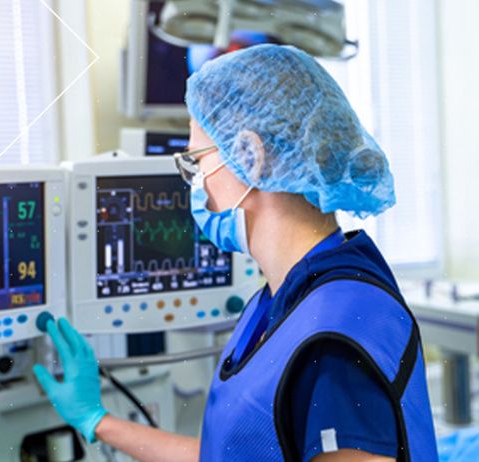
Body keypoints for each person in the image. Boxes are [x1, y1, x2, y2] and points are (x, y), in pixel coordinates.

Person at [33, 45, 438, 461]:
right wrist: (97, 420)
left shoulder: (334, 333)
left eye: (196, 161)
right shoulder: (285, 300)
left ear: (250, 155)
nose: (197, 185)